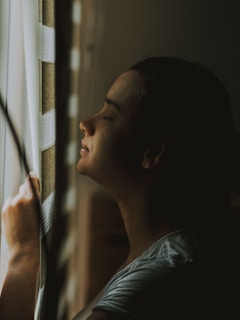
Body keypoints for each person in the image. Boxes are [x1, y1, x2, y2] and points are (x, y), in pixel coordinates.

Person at [0, 56, 237, 320]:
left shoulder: (162, 276)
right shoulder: (153, 256)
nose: (86, 123)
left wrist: (24, 255)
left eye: (108, 116)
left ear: (154, 151)